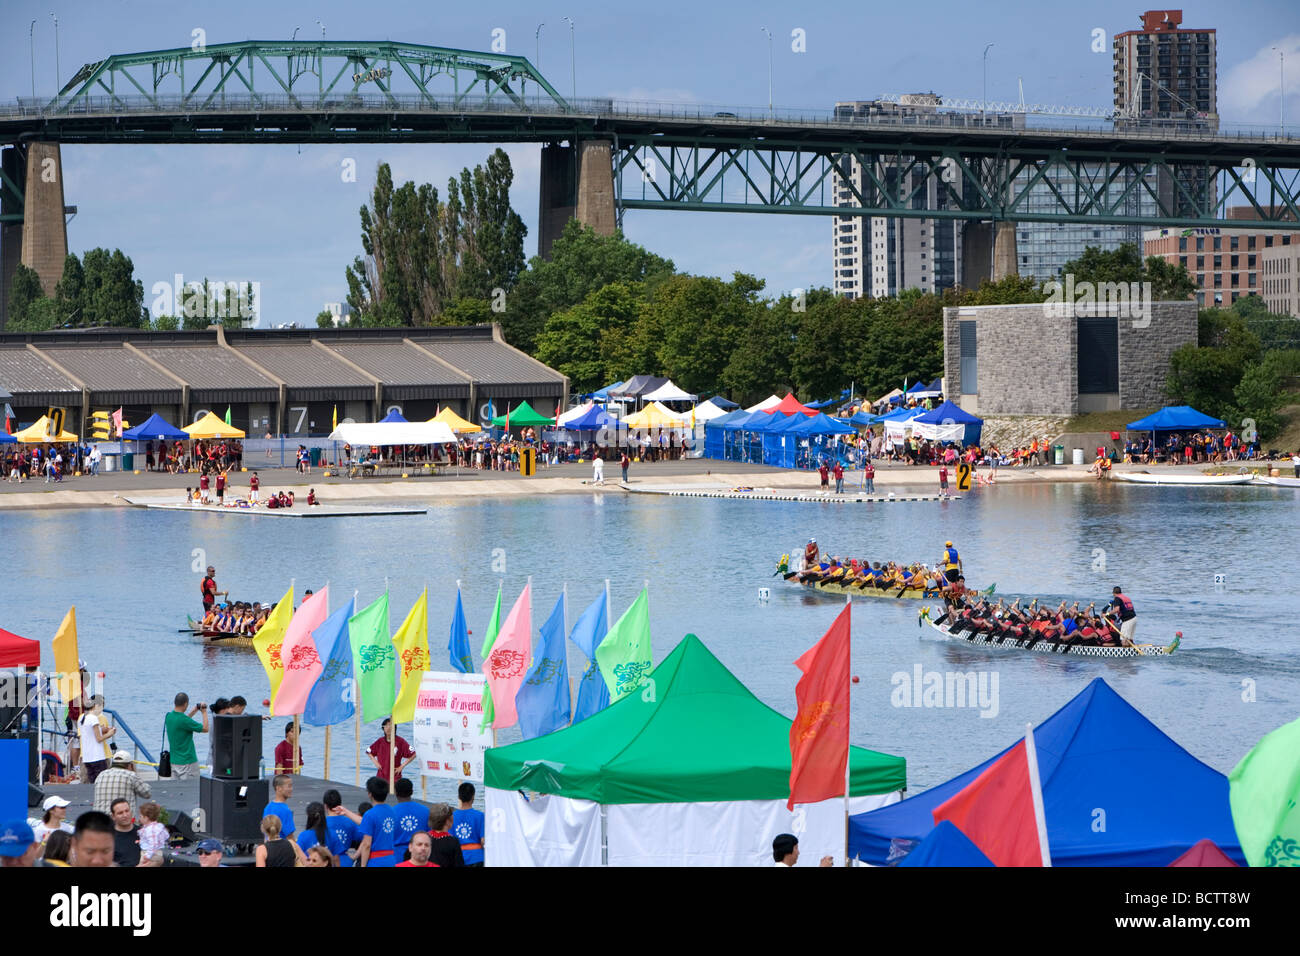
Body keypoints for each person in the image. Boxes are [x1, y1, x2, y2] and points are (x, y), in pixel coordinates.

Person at [92, 749, 152, 815]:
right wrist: (135, 773)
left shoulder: (101, 775)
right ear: (130, 765)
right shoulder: (130, 775)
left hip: (98, 819)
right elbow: (147, 793)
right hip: (120, 820)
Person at [165, 692, 209, 779]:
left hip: (174, 762)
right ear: (185, 704)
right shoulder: (184, 720)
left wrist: (195, 710)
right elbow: (205, 728)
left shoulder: (169, 716)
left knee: (177, 790)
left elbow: (183, 721)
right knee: (192, 790)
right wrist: (204, 712)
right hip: (188, 763)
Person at [357, 776, 398, 867]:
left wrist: (363, 865)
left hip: (375, 860)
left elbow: (367, 844)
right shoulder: (392, 811)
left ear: (370, 794)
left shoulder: (369, 814)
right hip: (391, 858)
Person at [78, 694, 115, 782]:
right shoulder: (93, 718)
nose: (102, 708)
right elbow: (98, 739)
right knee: (102, 781)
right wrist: (110, 733)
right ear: (96, 706)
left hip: (87, 757)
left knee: (91, 782)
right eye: (101, 705)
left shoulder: (82, 718)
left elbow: (87, 734)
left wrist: (102, 730)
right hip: (97, 756)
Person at [367, 717, 417, 783]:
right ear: (383, 728)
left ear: (395, 728)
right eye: (386, 726)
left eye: (390, 725)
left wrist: (402, 766)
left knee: (394, 792)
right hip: (381, 776)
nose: (388, 728)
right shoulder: (380, 741)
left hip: (395, 777)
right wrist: (375, 762)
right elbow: (368, 751)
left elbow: (414, 754)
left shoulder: (400, 741)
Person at [392, 777, 429, 860]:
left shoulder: (390, 813)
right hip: (420, 855)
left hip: (397, 856)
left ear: (396, 792)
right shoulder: (425, 811)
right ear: (412, 792)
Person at [323, 789, 360, 867]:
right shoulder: (350, 822)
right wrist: (356, 855)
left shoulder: (321, 824)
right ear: (340, 804)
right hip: (346, 861)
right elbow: (365, 837)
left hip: (328, 862)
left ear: (325, 806)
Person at [453, 782, 485, 867]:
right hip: (477, 857)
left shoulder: (452, 817)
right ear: (473, 797)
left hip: (459, 857)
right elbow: (483, 841)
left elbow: (450, 840)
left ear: (459, 797)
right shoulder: (480, 815)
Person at [109, 798, 147, 867]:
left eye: (127, 811)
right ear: (113, 816)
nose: (125, 815)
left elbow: (159, 859)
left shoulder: (143, 832)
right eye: (120, 813)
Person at [263, 774, 296, 839]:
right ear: (278, 788)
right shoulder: (285, 810)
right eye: (289, 786)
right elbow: (290, 837)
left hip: (268, 846)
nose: (291, 789)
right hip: (282, 847)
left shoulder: (268, 807)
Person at [136, 801, 168, 866]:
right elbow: (166, 836)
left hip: (150, 854)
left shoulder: (150, 829)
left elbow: (153, 844)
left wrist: (148, 856)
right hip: (157, 852)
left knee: (142, 865)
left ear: (146, 818)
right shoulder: (158, 826)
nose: (139, 819)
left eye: (140, 816)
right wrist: (142, 841)